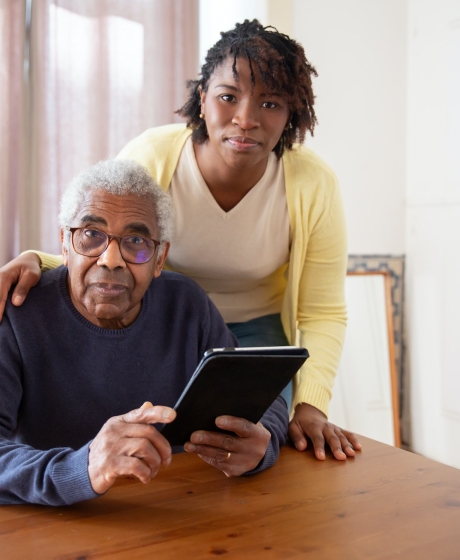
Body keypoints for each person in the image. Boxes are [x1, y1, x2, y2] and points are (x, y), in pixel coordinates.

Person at [0, 20, 360, 461]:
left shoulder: (313, 184)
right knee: (164, 444)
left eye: (270, 102)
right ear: (202, 98)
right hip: (169, 322)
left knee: (257, 449)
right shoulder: (153, 155)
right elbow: (105, 235)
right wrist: (39, 259)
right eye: (228, 96)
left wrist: (311, 405)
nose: (245, 118)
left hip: (257, 330)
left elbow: (322, 311)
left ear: (291, 115)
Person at [0, 159, 288, 506]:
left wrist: (263, 444)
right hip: (56, 520)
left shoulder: (187, 304)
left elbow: (262, 399)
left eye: (136, 240)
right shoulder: (17, 310)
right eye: (92, 235)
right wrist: (82, 466)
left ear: (160, 258)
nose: (111, 259)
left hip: (179, 511)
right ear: (64, 243)